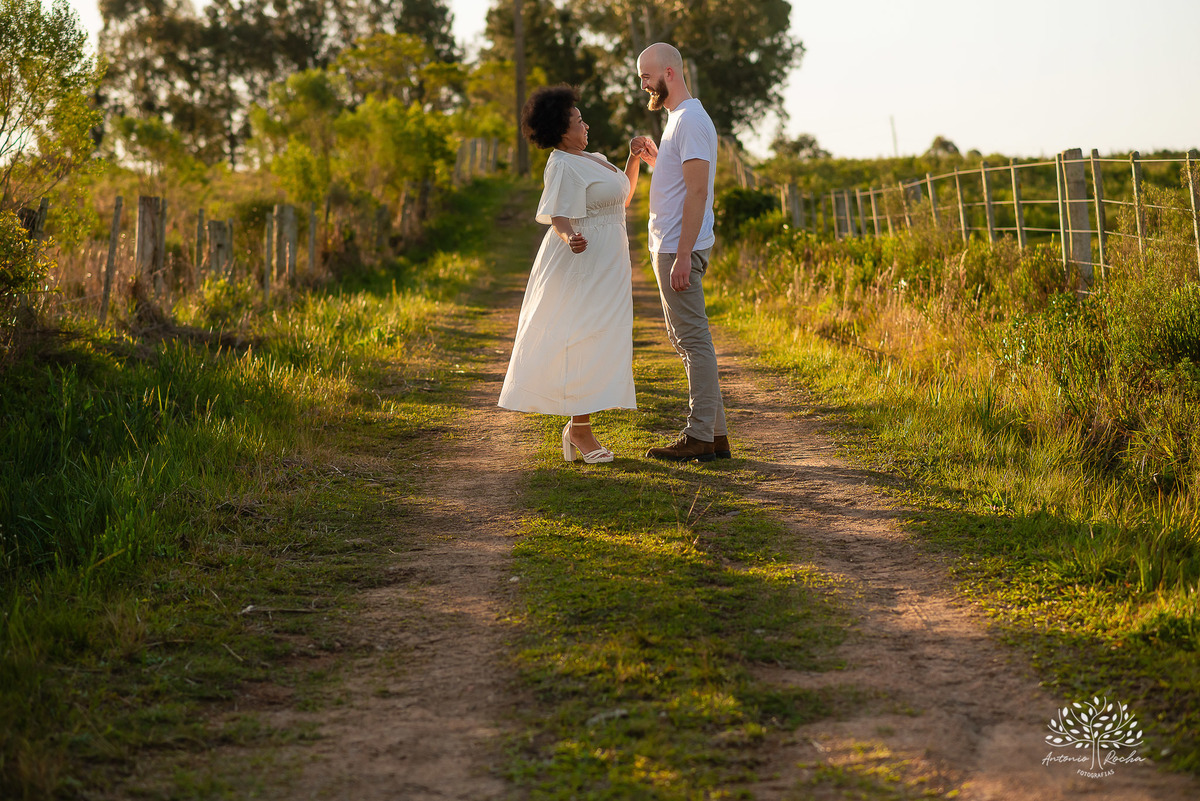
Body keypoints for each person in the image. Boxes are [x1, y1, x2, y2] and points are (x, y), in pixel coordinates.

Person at [498, 85, 646, 464]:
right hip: (583, 259)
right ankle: (579, 430)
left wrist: (633, 160)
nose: (586, 125)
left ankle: (579, 426)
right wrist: (569, 238)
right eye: (579, 120)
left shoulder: (594, 158)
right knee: (584, 338)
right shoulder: (562, 163)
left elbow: (622, 198)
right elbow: (558, 214)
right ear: (563, 131)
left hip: (610, 259)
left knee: (604, 337)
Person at [632, 42, 731, 462]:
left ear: (669, 73)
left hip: (678, 248)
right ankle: (716, 435)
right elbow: (680, 181)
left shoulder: (690, 119)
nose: (643, 85)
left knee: (692, 340)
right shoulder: (679, 120)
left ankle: (698, 438)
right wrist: (656, 159)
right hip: (673, 244)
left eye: (646, 76)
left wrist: (683, 254)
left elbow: (697, 191)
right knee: (687, 338)